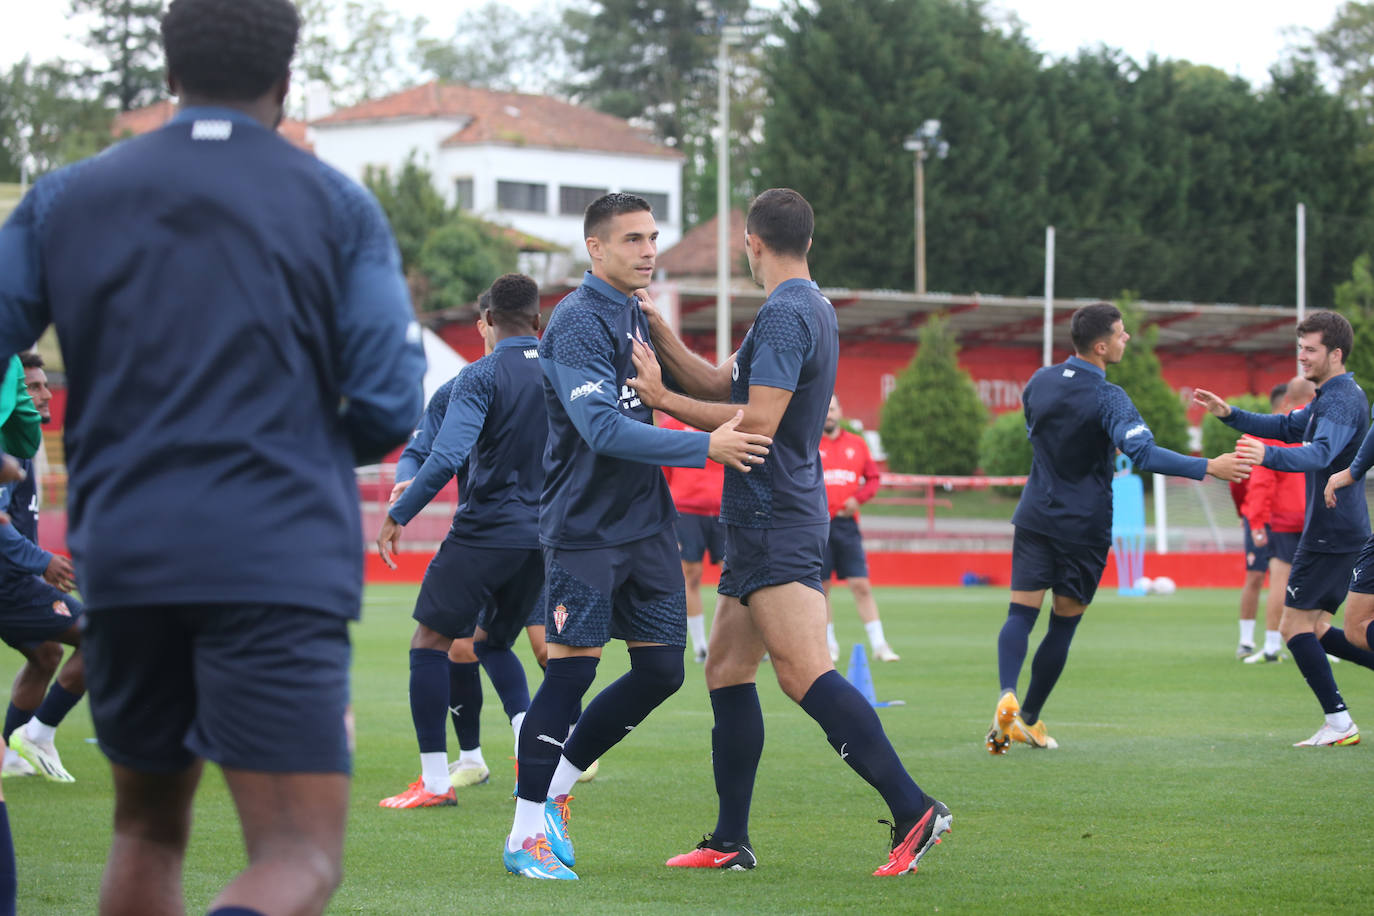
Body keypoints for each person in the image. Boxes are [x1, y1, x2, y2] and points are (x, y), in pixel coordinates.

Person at [0, 2, 426, 913]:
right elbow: (391, 400)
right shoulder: (336, 203)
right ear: (286, 80)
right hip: (274, 557)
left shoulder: (67, 196)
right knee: (299, 855)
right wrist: (285, 449)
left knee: (145, 835)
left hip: (128, 553)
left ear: (168, 71)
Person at [627, 188, 948, 878]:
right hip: (760, 518)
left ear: (752, 243)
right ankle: (729, 841)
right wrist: (658, 333)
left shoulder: (783, 314)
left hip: (776, 517)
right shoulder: (807, 306)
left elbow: (757, 425)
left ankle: (915, 807)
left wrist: (658, 401)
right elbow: (722, 386)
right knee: (725, 669)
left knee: (805, 675)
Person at [502, 192, 769, 881]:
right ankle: (524, 833)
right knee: (570, 672)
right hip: (585, 528)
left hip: (648, 525)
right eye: (632, 240)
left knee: (661, 670)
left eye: (652, 237)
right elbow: (601, 430)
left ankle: (556, 788)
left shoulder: (638, 316)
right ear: (595, 249)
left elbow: (694, 388)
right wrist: (703, 445)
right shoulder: (575, 324)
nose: (649, 250)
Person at [988, 302, 1250, 755]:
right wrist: (1210, 465)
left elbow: (1036, 433)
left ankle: (1005, 693)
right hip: (1083, 525)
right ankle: (1026, 717)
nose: (1128, 339)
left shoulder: (1039, 382)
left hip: (1034, 515)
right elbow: (1144, 455)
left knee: (1019, 614)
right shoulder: (1109, 396)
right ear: (1102, 345)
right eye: (1122, 333)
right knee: (1063, 625)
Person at [376, 273, 549, 809]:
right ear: (539, 322)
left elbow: (446, 457)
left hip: (486, 531)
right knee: (494, 643)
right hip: (543, 538)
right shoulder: (565, 374)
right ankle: (531, 756)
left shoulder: (479, 376)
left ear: (488, 321)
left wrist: (398, 513)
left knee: (429, 643)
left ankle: (434, 783)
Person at [1197, 311, 1374, 747]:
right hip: (1339, 528)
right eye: (1300, 348)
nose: (1302, 356)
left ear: (1335, 353)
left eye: (1310, 349)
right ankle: (1338, 722)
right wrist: (1230, 414)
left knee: (1294, 626)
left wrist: (1267, 456)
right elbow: (1285, 427)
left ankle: (1338, 723)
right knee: (1316, 630)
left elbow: (1319, 453)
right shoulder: (1330, 395)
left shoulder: (1342, 398)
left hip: (1331, 531)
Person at [1, 352, 87, 783]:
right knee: (102, 635)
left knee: (47, 652)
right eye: (30, 387)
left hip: (15, 581)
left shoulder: (21, 444)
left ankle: (12, 750)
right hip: (8, 583)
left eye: (43, 385)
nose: (42, 394)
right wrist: (41, 561)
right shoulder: (6, 448)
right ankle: (37, 733)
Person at [818, 395, 898, 663]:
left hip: (847, 525)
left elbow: (873, 479)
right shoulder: (809, 444)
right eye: (824, 409)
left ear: (840, 411)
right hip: (818, 526)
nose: (828, 414)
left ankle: (880, 644)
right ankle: (828, 645)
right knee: (821, 587)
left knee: (861, 584)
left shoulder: (857, 444)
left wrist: (858, 499)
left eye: (832, 408)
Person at [1240, 377, 1313, 664]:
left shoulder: (1278, 431)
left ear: (1286, 401)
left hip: (1283, 519)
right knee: (1316, 583)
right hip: (1316, 518)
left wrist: (1256, 522)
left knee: (1280, 580)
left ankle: (1271, 645)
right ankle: (1319, 640)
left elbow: (1262, 482)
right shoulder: (1323, 427)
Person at [660, 413, 725, 663]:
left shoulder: (724, 418)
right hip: (686, 511)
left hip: (724, 510)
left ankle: (737, 641)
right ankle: (700, 645)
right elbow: (662, 473)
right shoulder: (673, 425)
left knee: (737, 575)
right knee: (691, 575)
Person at [1228, 384, 1284, 659]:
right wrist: (1244, 514)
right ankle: (1247, 640)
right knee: (1256, 576)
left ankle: (1304, 636)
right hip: (1260, 519)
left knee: (1290, 579)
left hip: (1290, 521)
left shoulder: (1302, 439)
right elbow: (1237, 481)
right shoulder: (1253, 439)